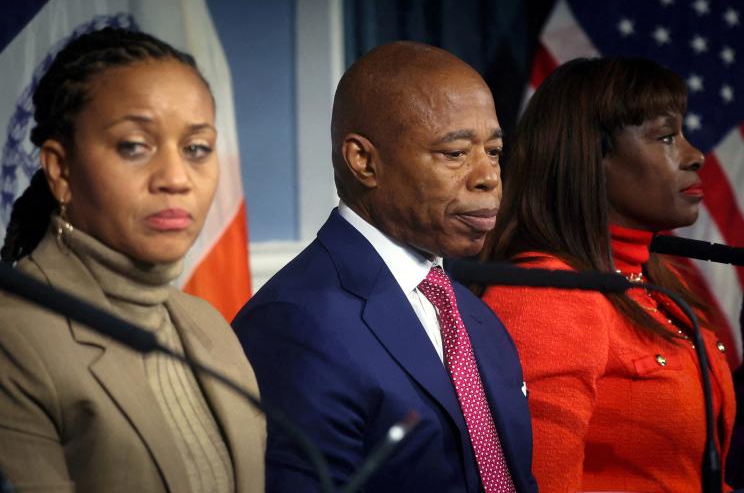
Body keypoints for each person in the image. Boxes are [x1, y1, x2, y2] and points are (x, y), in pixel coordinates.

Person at [233, 41, 537, 492]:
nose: (488, 176)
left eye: (493, 151)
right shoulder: (294, 325)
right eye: (455, 154)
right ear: (364, 162)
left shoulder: (473, 317)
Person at [0, 28, 264, 492]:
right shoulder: (12, 340)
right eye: (134, 147)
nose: (176, 178)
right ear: (60, 170)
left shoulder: (208, 326)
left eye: (196, 148)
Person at [478, 57, 735, 492]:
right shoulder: (548, 293)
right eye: (666, 137)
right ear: (591, 157)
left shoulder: (653, 284)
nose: (694, 156)